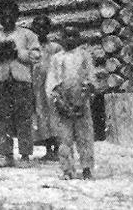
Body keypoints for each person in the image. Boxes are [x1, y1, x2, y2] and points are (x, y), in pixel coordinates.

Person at [0, 0, 41, 166]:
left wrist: (17, 52)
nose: (6, 19)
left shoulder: (27, 35)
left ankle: (25, 155)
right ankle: (7, 155)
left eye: (10, 15)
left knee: (23, 117)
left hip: (21, 81)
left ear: (16, 16)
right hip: (1, 81)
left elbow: (36, 56)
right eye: (2, 16)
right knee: (2, 118)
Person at [45, 26, 96, 180]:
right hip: (63, 101)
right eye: (66, 36)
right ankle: (67, 169)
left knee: (84, 136)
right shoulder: (56, 58)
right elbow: (51, 80)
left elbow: (91, 77)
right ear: (61, 39)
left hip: (81, 100)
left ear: (79, 38)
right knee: (64, 138)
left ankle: (86, 167)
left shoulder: (84, 56)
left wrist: (85, 95)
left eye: (74, 36)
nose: (70, 39)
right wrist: (58, 100)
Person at [31, 15, 63, 160]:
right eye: (37, 27)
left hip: (51, 85)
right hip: (37, 86)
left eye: (44, 27)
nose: (40, 30)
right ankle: (48, 148)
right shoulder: (32, 47)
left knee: (54, 115)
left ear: (49, 29)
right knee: (41, 116)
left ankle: (57, 148)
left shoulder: (55, 47)